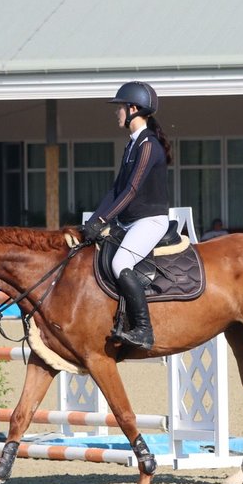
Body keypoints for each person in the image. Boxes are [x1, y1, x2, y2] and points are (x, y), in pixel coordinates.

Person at [80, 81, 172, 350]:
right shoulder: (132, 145)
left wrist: (103, 220)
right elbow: (116, 189)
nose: (117, 112)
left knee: (121, 263)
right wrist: (94, 220)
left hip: (150, 221)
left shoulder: (148, 146)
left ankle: (144, 329)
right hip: (129, 221)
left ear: (133, 109)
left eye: (120, 107)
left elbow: (132, 190)